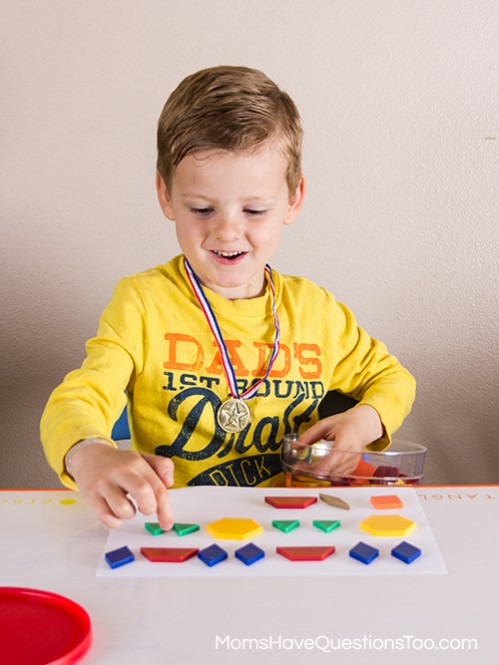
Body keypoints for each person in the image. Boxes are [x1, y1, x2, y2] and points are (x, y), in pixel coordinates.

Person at [40, 66, 416, 530]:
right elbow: (75, 400)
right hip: (181, 531)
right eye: (202, 209)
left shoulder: (317, 311)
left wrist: (363, 422)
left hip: (297, 529)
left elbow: (394, 379)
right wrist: (88, 453)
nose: (227, 231)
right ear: (166, 195)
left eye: (254, 210)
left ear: (293, 200)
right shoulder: (142, 303)